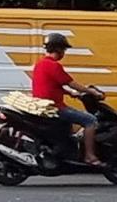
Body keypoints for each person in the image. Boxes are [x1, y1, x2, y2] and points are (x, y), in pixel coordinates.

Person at [31, 33, 101, 167]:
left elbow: (52, 85)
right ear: (58, 49)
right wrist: (90, 91)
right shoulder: (54, 66)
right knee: (90, 120)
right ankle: (89, 156)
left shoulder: (40, 64)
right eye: (63, 49)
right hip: (55, 107)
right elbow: (70, 82)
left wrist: (71, 93)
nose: (64, 53)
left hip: (42, 106)